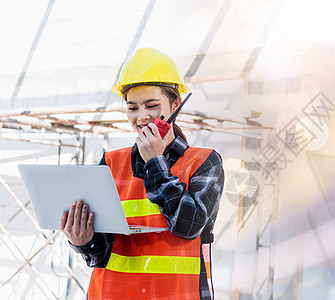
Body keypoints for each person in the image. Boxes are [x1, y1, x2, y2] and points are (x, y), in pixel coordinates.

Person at [60, 48, 225, 300]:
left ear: (175, 104)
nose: (141, 117)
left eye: (151, 105)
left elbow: (188, 226)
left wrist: (155, 162)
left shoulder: (204, 162)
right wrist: (83, 241)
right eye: (132, 108)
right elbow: (101, 255)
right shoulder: (111, 162)